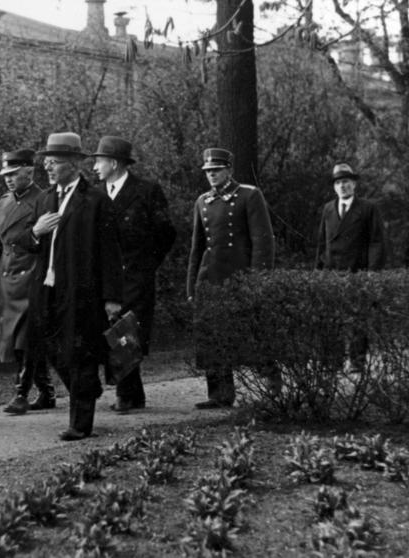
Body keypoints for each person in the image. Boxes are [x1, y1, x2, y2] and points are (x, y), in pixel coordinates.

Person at [19, 132, 123, 441]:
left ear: (74, 164)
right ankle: (87, 389)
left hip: (81, 291)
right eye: (46, 162)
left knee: (79, 353)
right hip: (46, 290)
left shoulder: (96, 200)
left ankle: (80, 424)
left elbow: (110, 252)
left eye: (54, 162)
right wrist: (35, 232)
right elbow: (27, 243)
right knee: (49, 348)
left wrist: (112, 297)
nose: (47, 167)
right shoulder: (45, 198)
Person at [91, 136, 176, 414]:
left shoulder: (147, 191)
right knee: (111, 331)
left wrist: (146, 265)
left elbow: (166, 233)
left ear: (115, 163)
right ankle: (131, 393)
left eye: (99, 161)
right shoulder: (95, 194)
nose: (95, 167)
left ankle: (125, 394)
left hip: (136, 277)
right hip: (106, 278)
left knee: (128, 332)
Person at [186, 148, 275, 409]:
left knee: (252, 332)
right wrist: (191, 285)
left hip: (240, 276)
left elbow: (263, 241)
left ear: (229, 170)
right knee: (211, 336)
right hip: (210, 278)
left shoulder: (249, 195)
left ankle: (273, 382)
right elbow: (197, 248)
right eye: (208, 171)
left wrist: (258, 279)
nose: (212, 175)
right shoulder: (203, 201)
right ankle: (219, 394)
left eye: (217, 170)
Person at [0, 149, 56, 415]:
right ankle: (46, 391)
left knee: (26, 337)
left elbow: (49, 242)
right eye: (5, 175)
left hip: (32, 275)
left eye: (13, 174)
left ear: (29, 172)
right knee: (19, 338)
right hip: (7, 278)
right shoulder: (1, 205)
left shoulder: (45, 199)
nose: (8, 179)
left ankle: (21, 393)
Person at [314, 162, 387, 372]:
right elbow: (322, 242)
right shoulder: (328, 209)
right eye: (338, 183)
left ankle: (356, 361)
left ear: (354, 184)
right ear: (334, 187)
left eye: (346, 182)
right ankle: (334, 361)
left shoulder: (368, 208)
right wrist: (318, 271)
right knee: (332, 317)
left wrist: (372, 271)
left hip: (357, 270)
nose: (342, 186)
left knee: (357, 318)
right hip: (332, 272)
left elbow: (377, 241)